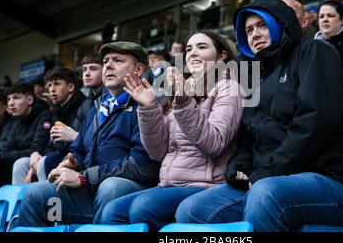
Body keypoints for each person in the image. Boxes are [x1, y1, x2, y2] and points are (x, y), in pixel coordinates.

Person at [176, 0, 343, 232]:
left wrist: (267, 173)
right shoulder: (257, 78)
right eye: (248, 30)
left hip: (337, 183)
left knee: (266, 193)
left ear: (281, 24)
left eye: (262, 25)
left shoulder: (316, 51)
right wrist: (239, 168)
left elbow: (315, 121)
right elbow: (248, 136)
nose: (254, 34)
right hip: (271, 180)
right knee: (191, 210)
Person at [99, 31, 243, 231]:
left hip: (204, 185)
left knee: (143, 209)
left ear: (221, 56)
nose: (192, 53)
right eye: (189, 49)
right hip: (168, 184)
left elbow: (213, 144)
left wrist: (184, 103)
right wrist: (149, 107)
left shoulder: (229, 88)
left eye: (201, 47)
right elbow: (157, 152)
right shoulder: (180, 89)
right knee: (112, 211)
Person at [16, 42, 160, 227]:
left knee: (111, 187)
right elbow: (79, 148)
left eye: (118, 60)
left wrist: (85, 177)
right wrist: (73, 161)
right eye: (106, 61)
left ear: (139, 69)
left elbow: (143, 166)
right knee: (36, 194)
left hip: (129, 193)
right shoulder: (98, 107)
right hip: (91, 190)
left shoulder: (146, 105)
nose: (108, 65)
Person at [12, 67, 87, 184]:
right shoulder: (56, 111)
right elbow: (50, 143)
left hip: (77, 158)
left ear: (70, 87)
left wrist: (74, 136)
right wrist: (38, 156)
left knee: (44, 162)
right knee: (21, 164)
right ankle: (23, 201)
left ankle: (46, 199)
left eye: (56, 84)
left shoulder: (85, 106)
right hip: (58, 155)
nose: (52, 89)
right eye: (50, 85)